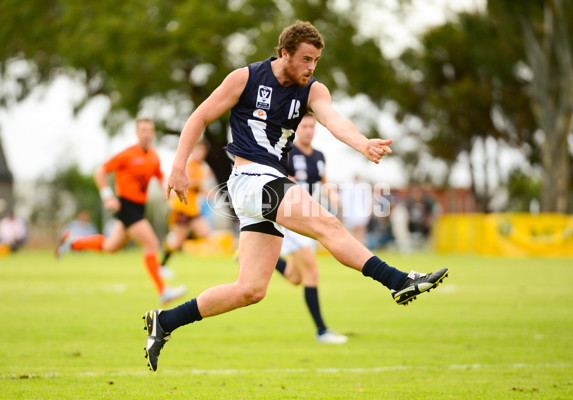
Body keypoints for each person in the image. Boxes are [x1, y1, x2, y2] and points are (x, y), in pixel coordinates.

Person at [142, 21, 448, 371]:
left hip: (266, 183)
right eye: (305, 59)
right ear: (284, 52)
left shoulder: (313, 90)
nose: (311, 67)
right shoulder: (245, 78)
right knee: (328, 225)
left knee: (251, 290)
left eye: (316, 60)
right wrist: (178, 166)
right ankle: (398, 281)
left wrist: (362, 142)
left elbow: (334, 121)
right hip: (249, 179)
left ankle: (164, 321)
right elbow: (198, 117)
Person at [55, 119, 187, 305]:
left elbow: (159, 177)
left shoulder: (154, 156)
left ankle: (72, 243)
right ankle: (163, 291)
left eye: (150, 130)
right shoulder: (127, 154)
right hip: (127, 206)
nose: (147, 134)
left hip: (139, 208)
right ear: (136, 133)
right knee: (151, 243)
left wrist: (169, 192)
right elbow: (100, 172)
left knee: (111, 246)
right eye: (143, 130)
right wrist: (108, 196)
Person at [274, 112, 347, 344]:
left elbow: (323, 183)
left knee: (296, 277)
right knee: (312, 273)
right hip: (293, 219)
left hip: (311, 218)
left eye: (311, 126)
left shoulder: (319, 156)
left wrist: (333, 196)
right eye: (304, 126)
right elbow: (276, 178)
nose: (308, 130)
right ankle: (322, 331)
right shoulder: (287, 152)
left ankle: (256, 255)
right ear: (296, 128)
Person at [160, 140, 212, 277]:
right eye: (197, 150)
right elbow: (186, 184)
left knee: (205, 232)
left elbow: (195, 188)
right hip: (181, 207)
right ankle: (162, 266)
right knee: (177, 243)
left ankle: (179, 240)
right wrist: (202, 180)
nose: (200, 153)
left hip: (193, 210)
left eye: (202, 150)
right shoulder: (189, 166)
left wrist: (206, 192)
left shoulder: (201, 168)